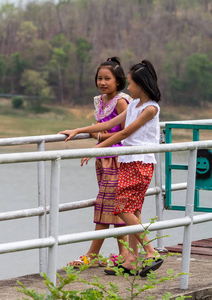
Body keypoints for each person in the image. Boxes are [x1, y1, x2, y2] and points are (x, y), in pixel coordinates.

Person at [59, 60, 163, 277]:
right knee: (132, 210)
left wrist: (95, 149)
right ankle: (131, 260)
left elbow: (124, 134)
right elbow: (107, 125)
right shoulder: (134, 105)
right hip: (127, 161)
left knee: (122, 207)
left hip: (140, 162)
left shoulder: (150, 109)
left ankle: (151, 252)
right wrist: (79, 129)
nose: (129, 87)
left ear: (141, 85)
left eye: (131, 83)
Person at [67, 57, 131, 269]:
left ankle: (93, 255)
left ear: (118, 81)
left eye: (107, 79)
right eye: (99, 78)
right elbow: (100, 126)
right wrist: (80, 130)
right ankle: (123, 254)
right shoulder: (100, 100)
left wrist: (99, 138)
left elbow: (124, 132)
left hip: (117, 158)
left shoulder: (121, 101)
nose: (102, 82)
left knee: (107, 204)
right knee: (112, 205)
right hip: (103, 159)